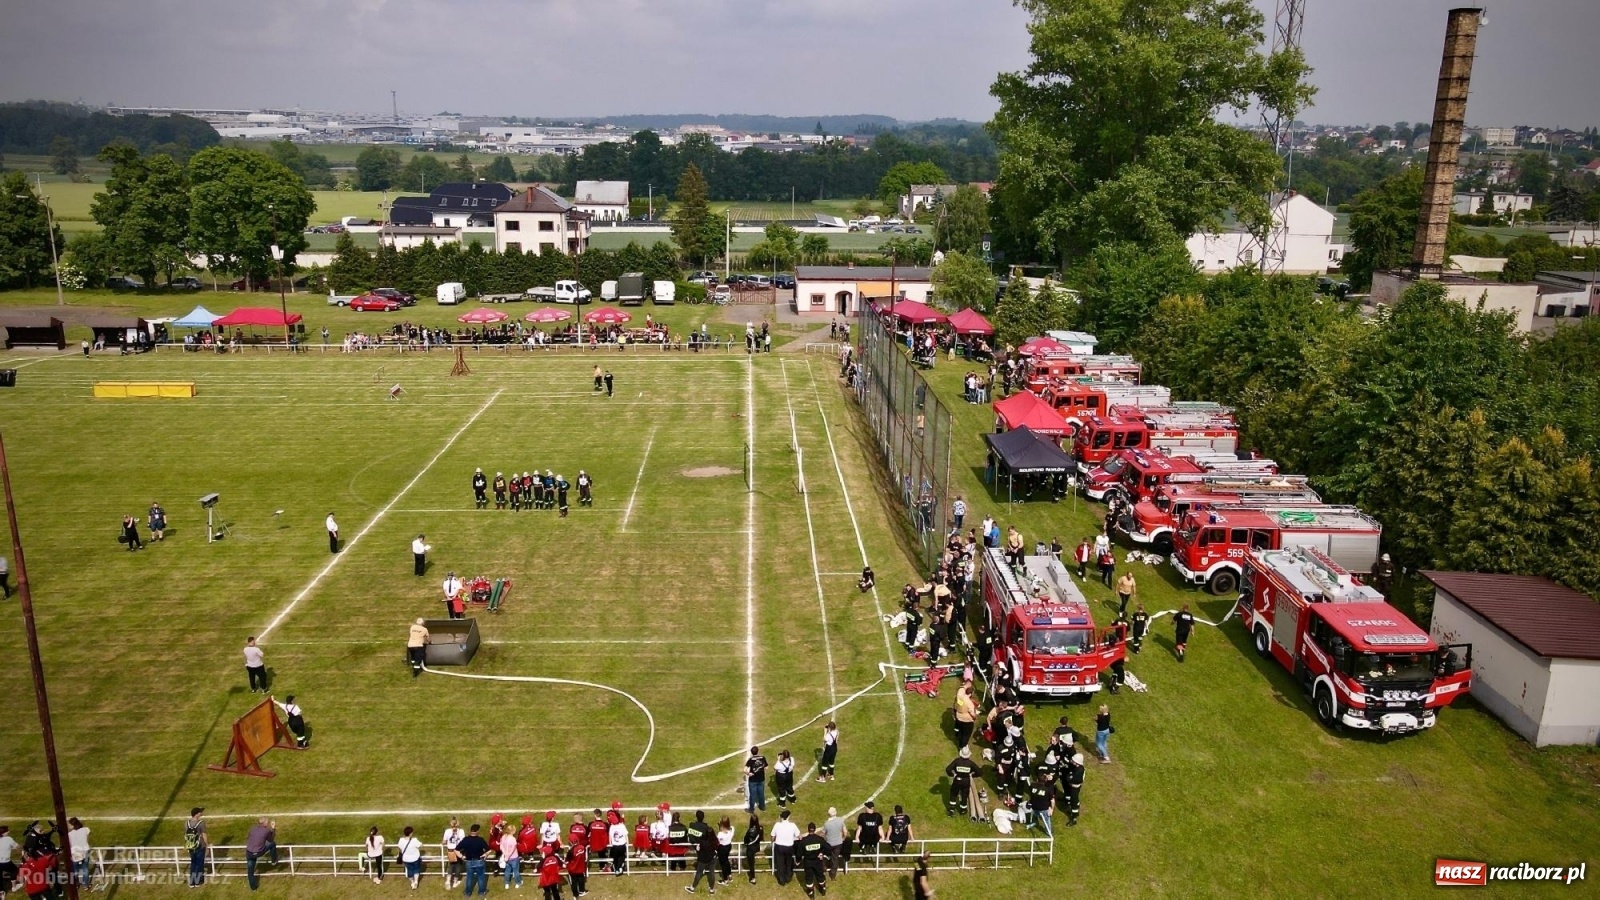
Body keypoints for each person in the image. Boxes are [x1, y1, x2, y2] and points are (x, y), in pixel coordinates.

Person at [457, 823, 491, 897]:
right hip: (479, 861)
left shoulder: (466, 840)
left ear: (471, 831)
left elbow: (456, 850)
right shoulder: (480, 840)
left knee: (469, 877)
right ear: (477, 831)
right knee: (481, 877)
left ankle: (467, 893)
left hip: (469, 861)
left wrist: (462, 856)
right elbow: (489, 850)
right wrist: (485, 855)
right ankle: (481, 893)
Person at [687, 810, 717, 894]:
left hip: (702, 855)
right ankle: (711, 889)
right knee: (711, 873)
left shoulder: (692, 825)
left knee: (699, 872)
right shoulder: (707, 830)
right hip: (711, 857)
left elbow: (691, 837)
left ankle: (692, 888)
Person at [245, 816, 276, 891]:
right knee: (272, 844)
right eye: (267, 822)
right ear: (264, 823)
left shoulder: (252, 829)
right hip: (258, 852)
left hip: (249, 852)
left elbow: (248, 837)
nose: (268, 823)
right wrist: (273, 829)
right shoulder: (266, 831)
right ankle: (274, 860)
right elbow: (271, 839)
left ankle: (253, 888)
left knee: (250, 872)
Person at [796, 824, 827, 898]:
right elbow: (827, 848)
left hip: (808, 862)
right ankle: (823, 889)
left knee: (809, 877)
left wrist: (798, 860)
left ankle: (811, 893)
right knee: (820, 875)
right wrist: (822, 853)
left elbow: (799, 853)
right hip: (818, 862)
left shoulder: (804, 841)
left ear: (808, 829)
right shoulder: (820, 839)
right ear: (815, 829)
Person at [945, 746, 977, 817]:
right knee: (964, 794)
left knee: (953, 793)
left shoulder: (957, 761)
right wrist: (972, 774)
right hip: (966, 781)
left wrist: (953, 774)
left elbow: (948, 769)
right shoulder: (970, 763)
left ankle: (951, 809)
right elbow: (979, 772)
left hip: (957, 780)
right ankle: (963, 810)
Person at [769, 810, 800, 886]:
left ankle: (781, 880)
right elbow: (799, 836)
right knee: (789, 863)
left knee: (780, 863)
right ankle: (788, 877)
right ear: (788, 817)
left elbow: (772, 836)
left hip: (779, 847)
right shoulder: (793, 825)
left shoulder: (777, 825)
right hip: (789, 847)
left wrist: (772, 842)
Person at [184, 807, 208, 887]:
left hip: (190, 846)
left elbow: (186, 835)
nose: (201, 813)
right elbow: (204, 835)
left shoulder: (186, 823)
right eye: (200, 812)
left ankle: (192, 882)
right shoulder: (201, 823)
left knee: (193, 863)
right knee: (199, 864)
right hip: (200, 846)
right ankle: (198, 881)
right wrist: (206, 845)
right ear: (197, 814)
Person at [853, 801, 882, 866]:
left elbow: (859, 828)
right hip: (875, 839)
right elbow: (880, 828)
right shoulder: (878, 816)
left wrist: (856, 837)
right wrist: (883, 837)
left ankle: (863, 846)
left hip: (864, 839)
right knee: (874, 833)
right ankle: (873, 846)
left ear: (867, 808)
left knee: (856, 831)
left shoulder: (862, 816)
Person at [65, 817, 91, 892]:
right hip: (85, 851)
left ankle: (76, 884)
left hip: (74, 853)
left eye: (69, 824)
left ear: (73, 825)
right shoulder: (85, 829)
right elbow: (87, 836)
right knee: (85, 869)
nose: (68, 826)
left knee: (75, 869)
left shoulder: (69, 834)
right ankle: (85, 885)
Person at [821, 807, 846, 880]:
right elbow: (845, 831)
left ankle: (824, 866)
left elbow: (822, 834)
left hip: (829, 843)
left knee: (824, 855)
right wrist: (843, 838)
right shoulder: (841, 820)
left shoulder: (827, 824)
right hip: (838, 843)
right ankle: (833, 875)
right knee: (835, 858)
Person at [740, 815, 763, 885]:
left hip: (750, 849)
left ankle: (753, 878)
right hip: (757, 847)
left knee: (751, 864)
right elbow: (761, 838)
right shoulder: (760, 828)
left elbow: (745, 840)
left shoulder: (749, 831)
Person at [1064, 753, 1086, 826]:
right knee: (1073, 799)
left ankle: (1074, 818)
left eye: (1073, 761)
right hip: (1073, 787)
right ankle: (1073, 809)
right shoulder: (1077, 767)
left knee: (1074, 801)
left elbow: (1070, 779)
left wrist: (1069, 776)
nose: (1072, 761)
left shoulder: (1079, 771)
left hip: (1075, 788)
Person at [744, 746, 768, 813]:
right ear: (758, 751)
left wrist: (748, 773)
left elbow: (744, 770)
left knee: (752, 795)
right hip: (761, 779)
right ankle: (763, 807)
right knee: (761, 794)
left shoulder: (751, 760)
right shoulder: (762, 758)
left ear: (751, 752)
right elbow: (766, 767)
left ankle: (751, 809)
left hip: (753, 780)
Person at [564, 830, 587, 897]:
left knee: (574, 882)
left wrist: (565, 856)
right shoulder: (582, 847)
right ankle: (582, 891)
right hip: (581, 867)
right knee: (581, 879)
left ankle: (575, 894)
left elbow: (567, 860)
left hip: (573, 869)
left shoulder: (571, 851)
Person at [714, 816, 734, 887]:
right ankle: (729, 875)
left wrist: (719, 827)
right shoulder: (732, 829)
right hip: (728, 846)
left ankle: (725, 880)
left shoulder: (720, 834)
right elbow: (728, 829)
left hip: (722, 848)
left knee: (723, 864)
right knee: (726, 860)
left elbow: (718, 841)